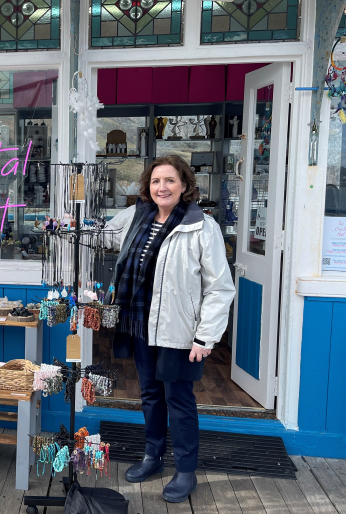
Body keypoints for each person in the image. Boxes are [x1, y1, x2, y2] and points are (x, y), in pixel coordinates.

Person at [104, 156, 234, 503]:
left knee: (179, 400)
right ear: (147, 186)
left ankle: (186, 470)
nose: (162, 187)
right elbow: (103, 232)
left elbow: (220, 287)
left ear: (184, 185)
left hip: (180, 330)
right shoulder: (136, 217)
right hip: (142, 325)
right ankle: (153, 455)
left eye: (170, 181)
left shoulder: (201, 226)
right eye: (156, 181)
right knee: (149, 394)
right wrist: (72, 223)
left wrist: (205, 336)